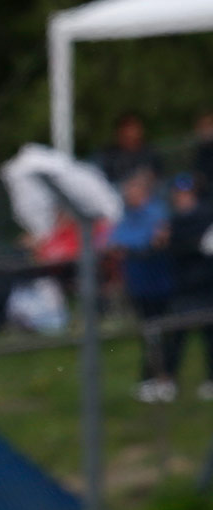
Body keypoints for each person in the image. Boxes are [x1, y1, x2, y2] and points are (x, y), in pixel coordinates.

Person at [108, 171, 175, 402]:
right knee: (149, 333)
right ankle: (153, 378)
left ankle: (163, 378)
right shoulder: (128, 217)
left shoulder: (157, 213)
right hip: (138, 284)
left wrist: (137, 246)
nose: (128, 195)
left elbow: (152, 242)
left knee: (161, 331)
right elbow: (116, 242)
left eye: (132, 191)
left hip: (159, 282)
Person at [164, 174, 213, 401]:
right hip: (183, 286)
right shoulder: (174, 220)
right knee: (176, 335)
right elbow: (175, 249)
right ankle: (168, 380)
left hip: (206, 286)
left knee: (209, 335)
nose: (181, 198)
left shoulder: (206, 216)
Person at [95, 113, 163, 185]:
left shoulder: (151, 154)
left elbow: (160, 180)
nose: (129, 133)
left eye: (133, 129)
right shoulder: (107, 155)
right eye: (126, 129)